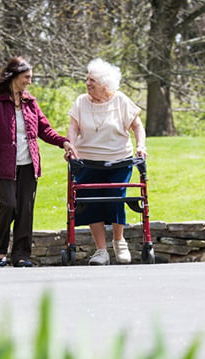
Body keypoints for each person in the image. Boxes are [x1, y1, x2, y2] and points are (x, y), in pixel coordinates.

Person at [0, 57, 77, 267]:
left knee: (25, 209)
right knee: (9, 205)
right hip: (4, 166)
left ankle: (21, 256)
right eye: (26, 77)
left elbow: (45, 130)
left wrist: (64, 143)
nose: (29, 81)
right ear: (14, 76)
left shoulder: (30, 103)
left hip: (28, 165)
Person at [67, 58, 148, 265]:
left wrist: (141, 146)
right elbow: (74, 128)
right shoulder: (81, 102)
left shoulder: (120, 100)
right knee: (91, 202)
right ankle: (101, 251)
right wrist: (71, 146)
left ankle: (119, 241)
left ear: (105, 83)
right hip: (88, 160)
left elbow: (137, 126)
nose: (87, 83)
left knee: (115, 197)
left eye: (91, 79)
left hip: (119, 160)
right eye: (87, 79)